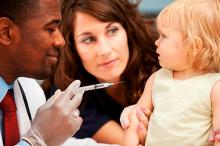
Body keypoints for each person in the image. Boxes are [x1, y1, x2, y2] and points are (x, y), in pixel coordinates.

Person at [0, 0, 119, 146]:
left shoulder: (29, 90)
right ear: (6, 32)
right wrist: (35, 141)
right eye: (50, 29)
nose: (60, 41)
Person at [42, 0, 160, 145]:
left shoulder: (163, 61)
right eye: (88, 39)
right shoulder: (69, 96)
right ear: (72, 48)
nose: (104, 50)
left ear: (128, 30)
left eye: (112, 31)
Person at [120, 0, 220, 145]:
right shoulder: (157, 79)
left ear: (194, 46)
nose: (156, 42)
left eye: (163, 36)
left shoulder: (215, 87)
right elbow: (135, 120)